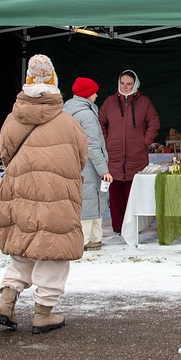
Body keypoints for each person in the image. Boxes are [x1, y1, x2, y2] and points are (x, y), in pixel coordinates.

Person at [0, 54, 88, 334]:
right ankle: (43, 313)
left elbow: (6, 155)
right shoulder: (68, 123)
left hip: (20, 191)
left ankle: (6, 302)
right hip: (57, 195)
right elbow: (81, 158)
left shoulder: (12, 119)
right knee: (52, 252)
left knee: (23, 248)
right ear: (55, 85)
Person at [99, 70, 160, 235]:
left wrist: (144, 142)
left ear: (135, 84)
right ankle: (118, 227)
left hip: (136, 157)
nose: (125, 87)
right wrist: (107, 141)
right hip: (114, 156)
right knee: (116, 195)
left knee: (134, 194)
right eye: (123, 83)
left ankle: (134, 226)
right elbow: (100, 123)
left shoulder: (144, 102)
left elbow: (153, 123)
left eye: (129, 84)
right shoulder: (109, 102)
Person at [64, 77, 112, 251]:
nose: (97, 94)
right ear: (86, 94)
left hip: (73, 163)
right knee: (91, 200)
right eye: (94, 91)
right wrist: (103, 170)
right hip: (89, 166)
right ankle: (88, 239)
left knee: (83, 199)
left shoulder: (67, 111)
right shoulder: (87, 114)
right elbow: (93, 145)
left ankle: (90, 237)